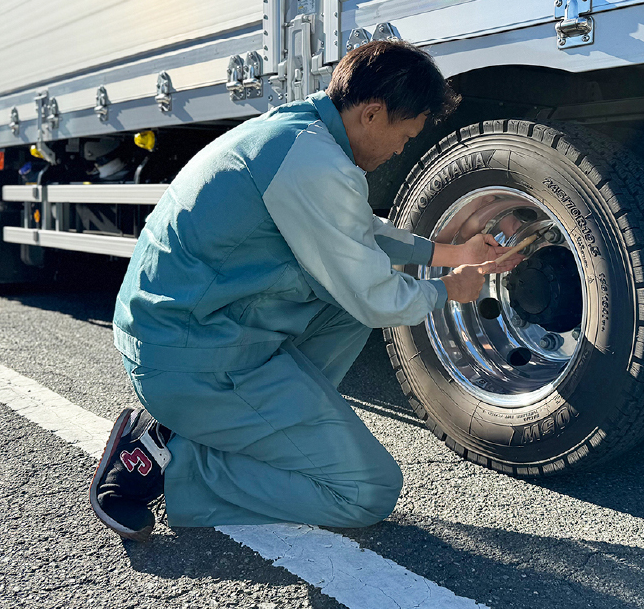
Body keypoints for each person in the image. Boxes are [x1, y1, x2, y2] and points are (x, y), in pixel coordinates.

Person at [90, 40, 523, 542]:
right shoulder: (315, 164)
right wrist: (449, 290)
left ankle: (211, 427)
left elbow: (359, 231)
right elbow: (376, 296)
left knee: (343, 308)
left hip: (195, 332)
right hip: (190, 358)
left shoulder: (300, 134)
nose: (401, 149)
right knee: (367, 491)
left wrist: (452, 253)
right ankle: (166, 463)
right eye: (404, 137)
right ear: (372, 114)